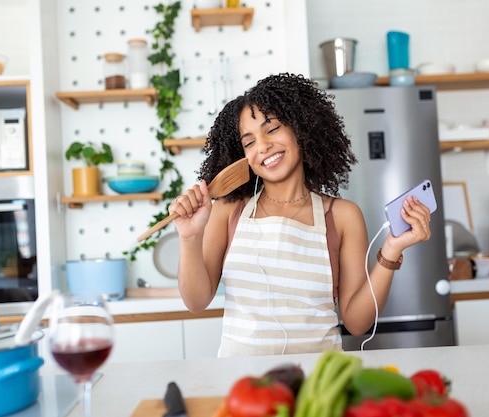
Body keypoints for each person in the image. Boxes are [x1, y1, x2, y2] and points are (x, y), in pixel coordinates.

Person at [168, 73, 432, 357]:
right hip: (245, 386)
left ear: (302, 129)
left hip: (317, 385)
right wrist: (190, 237)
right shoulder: (228, 210)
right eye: (249, 142)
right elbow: (196, 301)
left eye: (272, 129)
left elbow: (357, 323)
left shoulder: (342, 216)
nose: (263, 147)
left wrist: (391, 250)